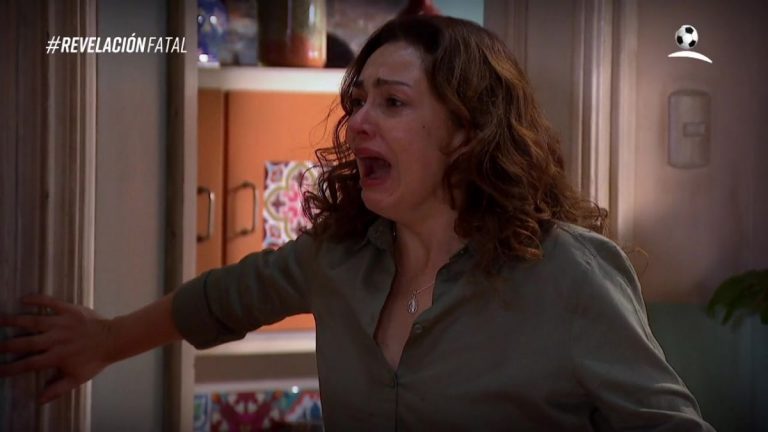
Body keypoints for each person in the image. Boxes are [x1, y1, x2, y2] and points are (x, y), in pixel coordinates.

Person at [0, 15, 714, 431]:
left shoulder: (569, 274)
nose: (357, 122)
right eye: (357, 101)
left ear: (468, 130)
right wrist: (103, 341)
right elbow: (220, 300)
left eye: (392, 103)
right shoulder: (339, 256)